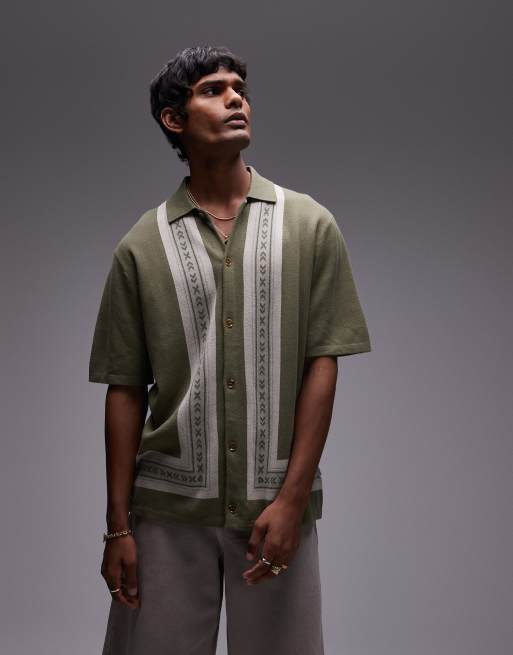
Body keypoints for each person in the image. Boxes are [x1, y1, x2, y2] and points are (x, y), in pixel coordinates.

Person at [88, 45, 372, 655]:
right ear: (174, 119)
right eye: (213, 90)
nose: (236, 98)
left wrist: (291, 500)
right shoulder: (141, 245)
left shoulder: (309, 225)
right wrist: (117, 528)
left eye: (239, 88)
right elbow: (125, 388)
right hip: (167, 512)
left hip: (275, 511)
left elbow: (322, 365)